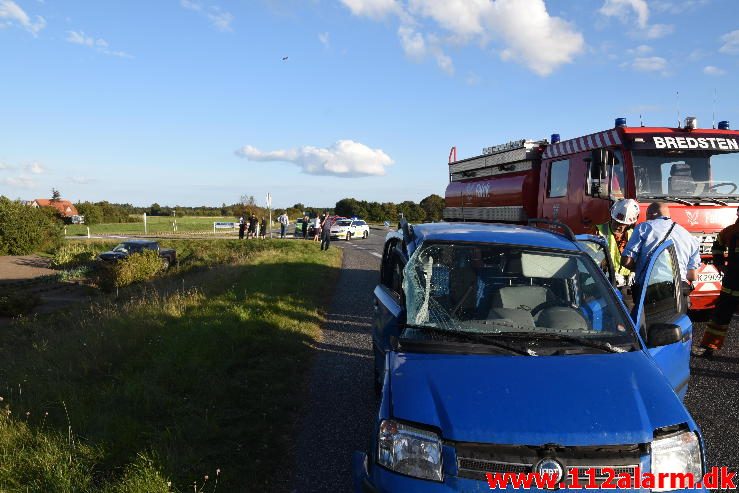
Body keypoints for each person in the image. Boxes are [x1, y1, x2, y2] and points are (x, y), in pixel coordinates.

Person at [621, 202, 700, 310]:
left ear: (651, 214)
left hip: (650, 292)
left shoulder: (644, 227)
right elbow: (692, 276)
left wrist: (643, 269)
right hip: (678, 292)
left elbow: (626, 261)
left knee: (649, 325)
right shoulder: (689, 237)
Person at [694, 208, 739, 356]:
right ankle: (709, 347)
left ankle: (708, 348)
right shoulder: (730, 231)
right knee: (720, 317)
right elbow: (717, 246)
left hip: (731, 283)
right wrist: (719, 264)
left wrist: (720, 265)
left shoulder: (731, 231)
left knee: (720, 316)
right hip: (731, 284)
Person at [595, 199, 640, 290]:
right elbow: (592, 258)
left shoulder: (633, 234)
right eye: (616, 221)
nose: (618, 226)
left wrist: (634, 272)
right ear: (611, 217)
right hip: (603, 283)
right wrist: (609, 273)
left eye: (622, 224)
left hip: (626, 285)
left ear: (629, 225)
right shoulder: (598, 231)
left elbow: (638, 258)